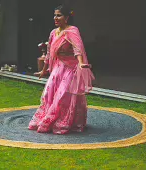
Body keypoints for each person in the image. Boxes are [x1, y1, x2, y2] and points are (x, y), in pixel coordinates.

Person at [28, 5, 95, 134]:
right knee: (49, 94)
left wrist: (81, 63)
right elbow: (49, 52)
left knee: (63, 96)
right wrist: (44, 70)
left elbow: (78, 48)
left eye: (59, 15)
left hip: (70, 68)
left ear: (67, 17)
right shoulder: (53, 32)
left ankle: (64, 122)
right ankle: (49, 119)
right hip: (58, 68)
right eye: (54, 15)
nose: (56, 18)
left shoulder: (72, 31)